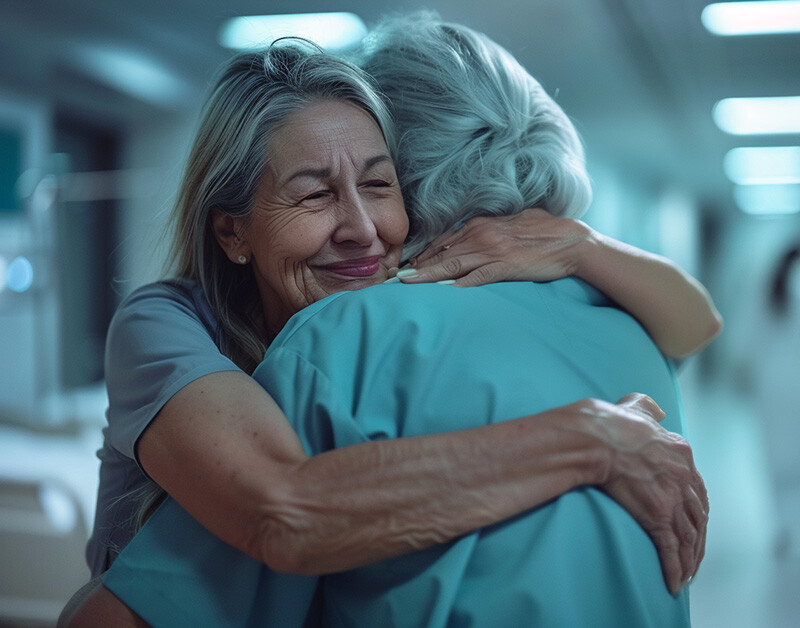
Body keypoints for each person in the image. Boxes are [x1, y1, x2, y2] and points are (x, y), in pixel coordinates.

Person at [60, 26, 717, 626]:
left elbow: (697, 324)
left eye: (379, 186)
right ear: (233, 231)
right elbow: (283, 508)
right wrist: (591, 438)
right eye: (314, 194)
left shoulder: (358, 339)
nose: (362, 229)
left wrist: (579, 245)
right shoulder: (174, 323)